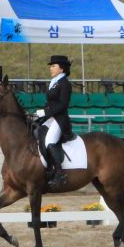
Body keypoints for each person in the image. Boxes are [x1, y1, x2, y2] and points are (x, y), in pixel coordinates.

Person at [41, 55, 75, 187]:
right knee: (38, 132)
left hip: (60, 119)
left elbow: (62, 105)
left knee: (49, 141)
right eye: (51, 66)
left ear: (62, 69)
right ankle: (48, 167)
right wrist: (41, 112)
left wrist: (46, 112)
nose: (51, 68)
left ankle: (60, 173)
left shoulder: (65, 84)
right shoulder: (55, 82)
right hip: (51, 117)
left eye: (54, 66)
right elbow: (51, 101)